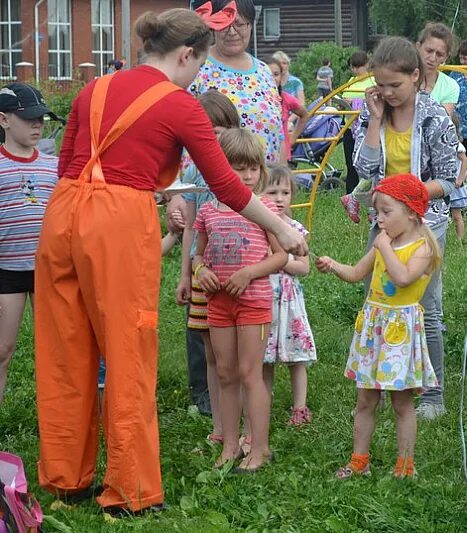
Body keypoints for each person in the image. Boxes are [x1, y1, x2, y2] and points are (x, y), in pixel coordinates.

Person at [34, 8, 305, 515]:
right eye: (196, 66)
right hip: (117, 221)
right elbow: (224, 183)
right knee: (127, 349)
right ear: (187, 56)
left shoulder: (93, 89)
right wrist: (281, 227)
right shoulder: (181, 105)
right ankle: (130, 492)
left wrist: (145, 192)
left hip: (63, 212)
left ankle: (65, 479)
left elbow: (72, 160)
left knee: (65, 347)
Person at [353, 36, 458, 420]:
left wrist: (408, 195)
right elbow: (364, 171)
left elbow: (449, 180)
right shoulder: (371, 113)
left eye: (395, 85)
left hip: (425, 224)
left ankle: (432, 395)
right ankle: (379, 382)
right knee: (378, 299)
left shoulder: (435, 117)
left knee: (424, 308)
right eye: (380, 85)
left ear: (416, 76)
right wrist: (376, 120)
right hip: (383, 223)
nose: (386, 92)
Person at [315, 173, 440, 478]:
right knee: (365, 399)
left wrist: (383, 247)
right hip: (375, 328)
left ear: (411, 212)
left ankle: (405, 466)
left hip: (400, 331)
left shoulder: (422, 248)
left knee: (402, 402)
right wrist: (334, 266)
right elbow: (357, 273)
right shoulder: (384, 243)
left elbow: (404, 278)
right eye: (378, 213)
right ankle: (359, 461)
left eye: (387, 212)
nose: (380, 220)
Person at [193, 128, 288, 472]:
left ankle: (259, 448)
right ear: (220, 168)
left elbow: (281, 257)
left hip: (253, 303)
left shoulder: (264, 208)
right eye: (238, 168)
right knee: (226, 375)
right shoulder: (208, 212)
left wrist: (249, 273)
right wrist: (201, 270)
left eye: (252, 168)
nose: (247, 175)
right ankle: (230, 445)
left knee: (251, 374)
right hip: (219, 303)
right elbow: (198, 255)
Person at [176, 89, 242, 445]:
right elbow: (188, 225)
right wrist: (185, 273)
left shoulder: (240, 170)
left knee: (235, 340)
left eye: (217, 133)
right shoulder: (193, 170)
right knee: (203, 338)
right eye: (203, 133)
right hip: (201, 270)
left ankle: (238, 402)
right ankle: (206, 397)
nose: (210, 141)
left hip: (236, 267)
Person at [0, 83, 59, 404]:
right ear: (4, 120)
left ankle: (57, 427)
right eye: (30, 118)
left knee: (53, 352)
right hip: (5, 270)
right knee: (2, 351)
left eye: (42, 118)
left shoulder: (54, 166)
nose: (38, 124)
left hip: (47, 271)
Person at [189, 0, 284, 164]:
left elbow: (278, 133)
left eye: (239, 24)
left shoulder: (264, 71)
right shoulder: (196, 66)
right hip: (212, 181)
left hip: (264, 180)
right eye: (224, 24)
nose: (232, 32)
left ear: (250, 25)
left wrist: (281, 176)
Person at [262, 166, 317, 427]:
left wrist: (276, 262)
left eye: (285, 192)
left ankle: (300, 407)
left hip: (287, 298)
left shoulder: (295, 229)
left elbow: (303, 267)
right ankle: (261, 404)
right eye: (273, 192)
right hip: (263, 298)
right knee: (264, 359)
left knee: (296, 357)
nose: (280, 198)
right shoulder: (257, 226)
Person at [341, 51, 375, 194]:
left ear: (366, 65)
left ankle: (368, 193)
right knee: (351, 163)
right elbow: (343, 98)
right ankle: (350, 194)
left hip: (366, 128)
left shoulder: (373, 81)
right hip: (349, 128)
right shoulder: (351, 81)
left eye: (358, 66)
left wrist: (356, 102)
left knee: (367, 164)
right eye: (353, 67)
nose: (355, 70)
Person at [267, 58, 310, 162]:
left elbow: (304, 115)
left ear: (281, 77)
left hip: (281, 155)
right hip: (259, 154)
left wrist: (293, 138)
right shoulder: (254, 99)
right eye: (268, 74)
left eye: (276, 74)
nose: (272, 78)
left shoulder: (286, 98)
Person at [416, 22, 460, 116]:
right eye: (429, 51)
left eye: (439, 54)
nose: (432, 58)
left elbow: (442, 126)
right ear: (418, 47)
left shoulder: (450, 86)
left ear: (446, 57)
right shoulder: (397, 77)